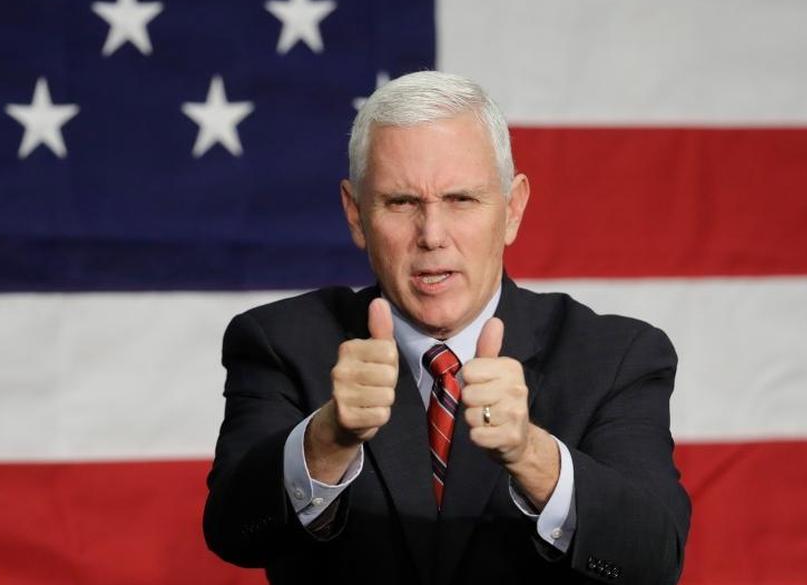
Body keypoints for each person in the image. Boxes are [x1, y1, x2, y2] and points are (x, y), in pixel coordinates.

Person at [203, 71, 691, 584]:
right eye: (401, 203)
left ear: (512, 209)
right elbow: (235, 534)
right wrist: (326, 439)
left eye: (461, 200)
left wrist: (531, 454)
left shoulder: (615, 355)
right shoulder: (279, 342)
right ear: (355, 214)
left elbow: (653, 560)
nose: (432, 235)